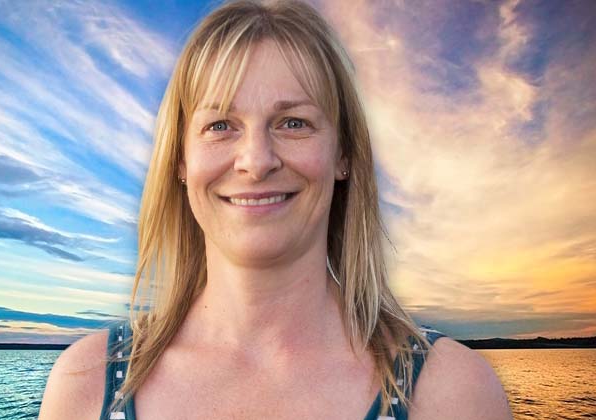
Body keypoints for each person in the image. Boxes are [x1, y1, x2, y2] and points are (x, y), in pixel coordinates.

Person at [38, 0, 513, 419]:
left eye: (293, 122)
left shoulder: (453, 393)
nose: (256, 160)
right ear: (180, 160)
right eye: (220, 125)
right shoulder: (86, 385)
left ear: (343, 154)